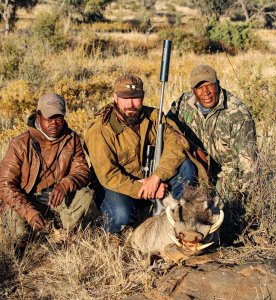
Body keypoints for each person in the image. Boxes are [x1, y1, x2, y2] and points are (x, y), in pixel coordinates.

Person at [85, 74, 198, 234]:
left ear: (143, 96)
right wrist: (144, 189)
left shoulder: (153, 117)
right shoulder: (100, 130)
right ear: (115, 97)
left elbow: (177, 142)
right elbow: (108, 176)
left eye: (136, 97)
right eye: (125, 98)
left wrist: (156, 177)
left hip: (151, 179)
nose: (131, 104)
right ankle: (112, 232)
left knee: (186, 166)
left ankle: (183, 216)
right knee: (121, 215)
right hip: (117, 186)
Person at [168, 65, 257, 242]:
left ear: (218, 84)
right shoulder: (182, 105)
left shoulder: (237, 114)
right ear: (192, 90)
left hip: (227, 173)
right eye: (199, 88)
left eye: (209, 85)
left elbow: (249, 165)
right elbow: (167, 132)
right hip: (198, 170)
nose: (205, 92)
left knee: (221, 216)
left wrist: (246, 204)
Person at [0, 93, 93, 246]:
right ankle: (32, 236)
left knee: (85, 196)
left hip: (57, 198)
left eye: (59, 118)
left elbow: (82, 170)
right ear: (38, 116)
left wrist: (65, 184)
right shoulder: (19, 144)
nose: (54, 124)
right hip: (27, 198)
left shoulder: (72, 138)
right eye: (49, 118)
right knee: (19, 236)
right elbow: (5, 185)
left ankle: (62, 233)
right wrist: (29, 212)